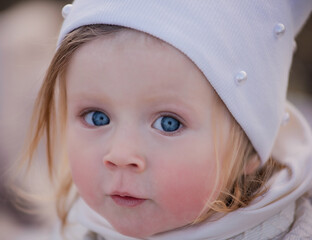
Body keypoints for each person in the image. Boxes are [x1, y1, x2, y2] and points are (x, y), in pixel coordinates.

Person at [20, 1, 312, 239]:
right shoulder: (73, 229)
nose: (120, 156)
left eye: (168, 123)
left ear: (249, 147)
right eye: (97, 118)